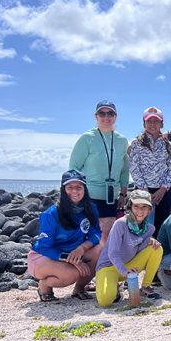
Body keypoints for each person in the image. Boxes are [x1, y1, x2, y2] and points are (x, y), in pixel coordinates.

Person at [28, 170, 102, 302]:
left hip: (73, 253)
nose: (75, 191)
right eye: (70, 187)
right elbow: (45, 247)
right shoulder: (51, 214)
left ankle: (79, 288)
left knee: (99, 250)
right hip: (44, 257)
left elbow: (96, 234)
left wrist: (82, 249)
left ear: (85, 189)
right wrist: (72, 259)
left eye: (79, 187)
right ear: (63, 189)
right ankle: (44, 286)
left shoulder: (91, 208)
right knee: (71, 274)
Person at [69, 100, 129, 242]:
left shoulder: (122, 140)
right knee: (87, 233)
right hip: (89, 194)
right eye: (102, 113)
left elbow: (125, 169)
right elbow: (73, 168)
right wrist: (73, 193)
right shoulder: (87, 138)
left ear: (116, 116)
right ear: (96, 116)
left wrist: (123, 193)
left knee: (106, 234)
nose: (106, 117)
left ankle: (101, 263)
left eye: (110, 113)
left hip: (111, 195)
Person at [94, 190, 163, 306]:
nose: (140, 211)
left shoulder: (150, 228)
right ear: (130, 207)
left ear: (149, 210)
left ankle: (145, 287)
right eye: (136, 206)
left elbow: (138, 249)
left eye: (144, 207)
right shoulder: (120, 224)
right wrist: (124, 271)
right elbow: (113, 253)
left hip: (128, 266)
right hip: (108, 266)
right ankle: (116, 288)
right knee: (105, 301)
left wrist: (148, 241)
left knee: (157, 248)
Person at [128, 106, 171, 234]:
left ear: (162, 124)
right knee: (140, 223)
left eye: (156, 121)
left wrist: (163, 189)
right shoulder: (136, 143)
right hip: (142, 190)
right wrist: (144, 190)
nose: (152, 124)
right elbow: (133, 167)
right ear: (144, 123)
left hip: (163, 192)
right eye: (149, 121)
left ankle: (158, 252)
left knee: (161, 224)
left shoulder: (168, 145)